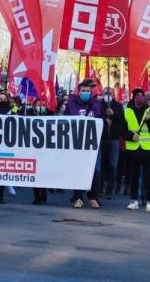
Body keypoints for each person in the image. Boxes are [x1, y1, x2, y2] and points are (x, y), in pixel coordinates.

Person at [65, 79, 104, 208]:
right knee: (78, 169)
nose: (86, 93)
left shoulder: (97, 104)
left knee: (96, 170)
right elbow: (65, 121)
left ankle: (92, 196)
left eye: (88, 91)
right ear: (79, 92)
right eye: (83, 91)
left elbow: (101, 120)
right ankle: (78, 197)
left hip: (93, 143)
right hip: (77, 143)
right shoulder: (71, 104)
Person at [124, 88, 150, 213]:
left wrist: (149, 120)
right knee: (134, 176)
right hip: (133, 148)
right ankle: (134, 200)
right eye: (137, 95)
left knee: (149, 176)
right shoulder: (127, 111)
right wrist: (130, 136)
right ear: (133, 97)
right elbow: (122, 129)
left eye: (141, 95)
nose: (139, 97)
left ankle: (149, 201)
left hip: (148, 149)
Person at [100, 85, 125, 199]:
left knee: (113, 165)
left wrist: (113, 116)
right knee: (101, 165)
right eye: (106, 93)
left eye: (110, 93)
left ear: (113, 95)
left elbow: (122, 122)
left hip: (114, 139)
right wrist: (105, 122)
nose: (108, 96)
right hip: (101, 138)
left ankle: (110, 190)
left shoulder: (118, 106)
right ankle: (100, 188)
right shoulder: (99, 105)